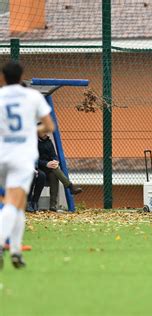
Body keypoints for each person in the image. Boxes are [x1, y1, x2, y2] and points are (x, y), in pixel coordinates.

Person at [0, 60, 55, 269]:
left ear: (2, 78)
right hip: (21, 157)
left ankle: (15, 252)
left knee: (18, 204)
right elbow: (49, 126)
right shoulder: (32, 97)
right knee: (14, 202)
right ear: (22, 74)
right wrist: (31, 131)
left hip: (2, 155)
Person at [38, 129, 82, 211]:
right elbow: (34, 159)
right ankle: (70, 187)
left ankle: (52, 206)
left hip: (50, 168)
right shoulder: (33, 143)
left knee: (54, 174)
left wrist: (55, 161)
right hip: (39, 168)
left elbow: (54, 155)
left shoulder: (49, 142)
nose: (44, 132)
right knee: (55, 170)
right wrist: (46, 164)